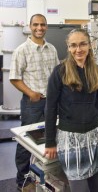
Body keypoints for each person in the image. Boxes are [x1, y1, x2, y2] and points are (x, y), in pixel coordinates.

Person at [44, 28, 98, 192]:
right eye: (73, 45)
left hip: (95, 136)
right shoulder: (60, 72)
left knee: (95, 186)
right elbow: (50, 108)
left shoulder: (96, 70)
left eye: (82, 44)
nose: (78, 49)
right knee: (79, 188)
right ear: (68, 48)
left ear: (90, 46)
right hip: (70, 139)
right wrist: (50, 142)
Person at [9, 14, 59, 191]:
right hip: (33, 104)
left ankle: (47, 176)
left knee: (50, 138)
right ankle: (23, 181)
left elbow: (56, 76)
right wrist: (31, 93)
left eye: (43, 25)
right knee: (27, 143)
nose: (40, 28)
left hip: (51, 102)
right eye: (36, 24)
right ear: (30, 26)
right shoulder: (21, 50)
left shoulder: (52, 49)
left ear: (46, 27)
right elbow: (14, 78)